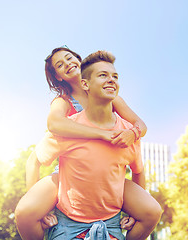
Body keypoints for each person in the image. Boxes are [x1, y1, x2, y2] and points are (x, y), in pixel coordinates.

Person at [15, 48, 162, 240]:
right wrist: (101, 135)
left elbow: (140, 125)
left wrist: (131, 133)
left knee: (151, 209)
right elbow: (53, 124)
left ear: (79, 60)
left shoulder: (110, 95)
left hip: (109, 171)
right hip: (72, 172)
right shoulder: (63, 102)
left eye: (69, 58)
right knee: (27, 211)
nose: (67, 64)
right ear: (58, 77)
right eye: (60, 65)